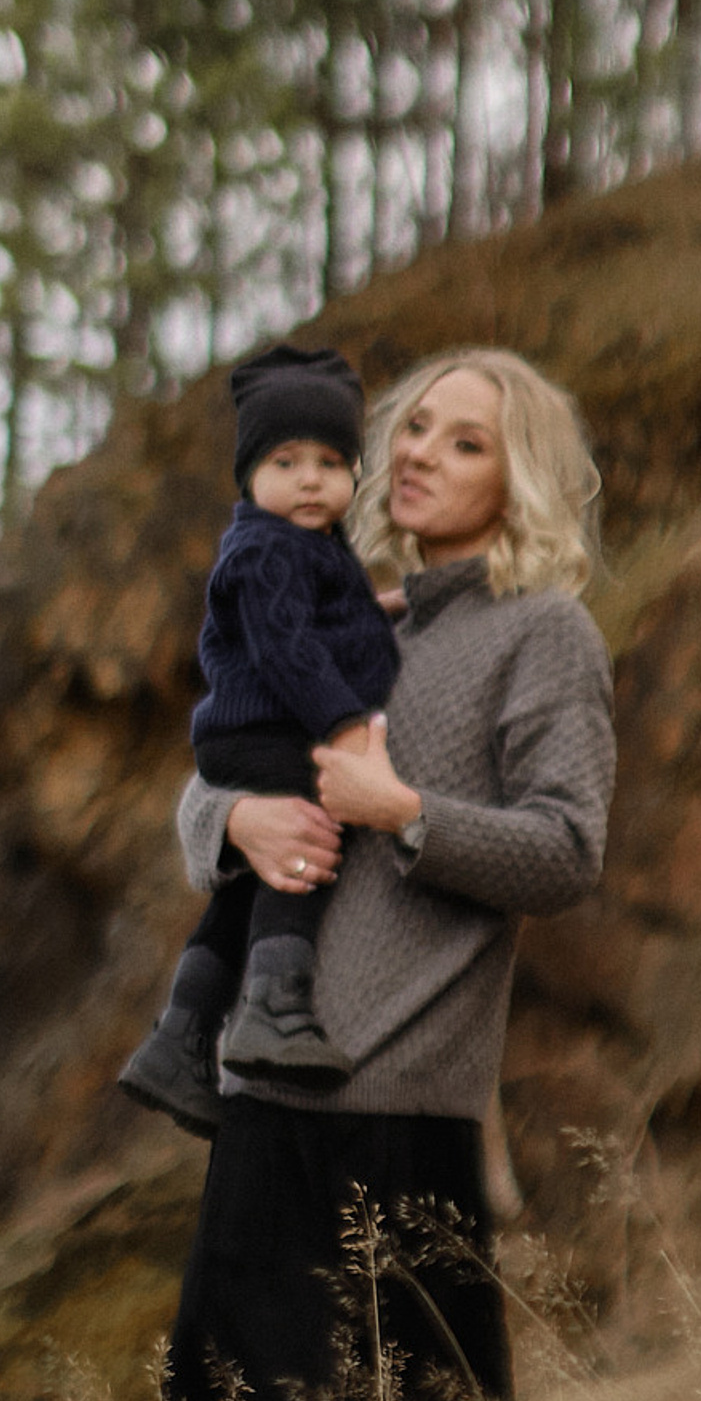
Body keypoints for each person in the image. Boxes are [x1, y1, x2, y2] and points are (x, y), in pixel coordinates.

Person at [147, 346, 615, 1401]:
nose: (418, 452)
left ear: (519, 478)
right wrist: (235, 821)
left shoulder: (544, 635)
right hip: (268, 1079)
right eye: (412, 426)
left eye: (465, 441)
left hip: (403, 1100)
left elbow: (568, 849)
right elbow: (214, 776)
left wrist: (402, 810)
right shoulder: (348, 612)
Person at [120, 343, 404, 1134]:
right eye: (286, 462)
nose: (311, 479)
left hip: (246, 736)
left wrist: (374, 615)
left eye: (330, 462)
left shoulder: (302, 545)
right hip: (265, 734)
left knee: (246, 883)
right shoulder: (268, 549)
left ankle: (180, 1036)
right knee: (307, 840)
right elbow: (287, 650)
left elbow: (316, 621)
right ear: (248, 475)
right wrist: (347, 726)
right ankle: (274, 1007)